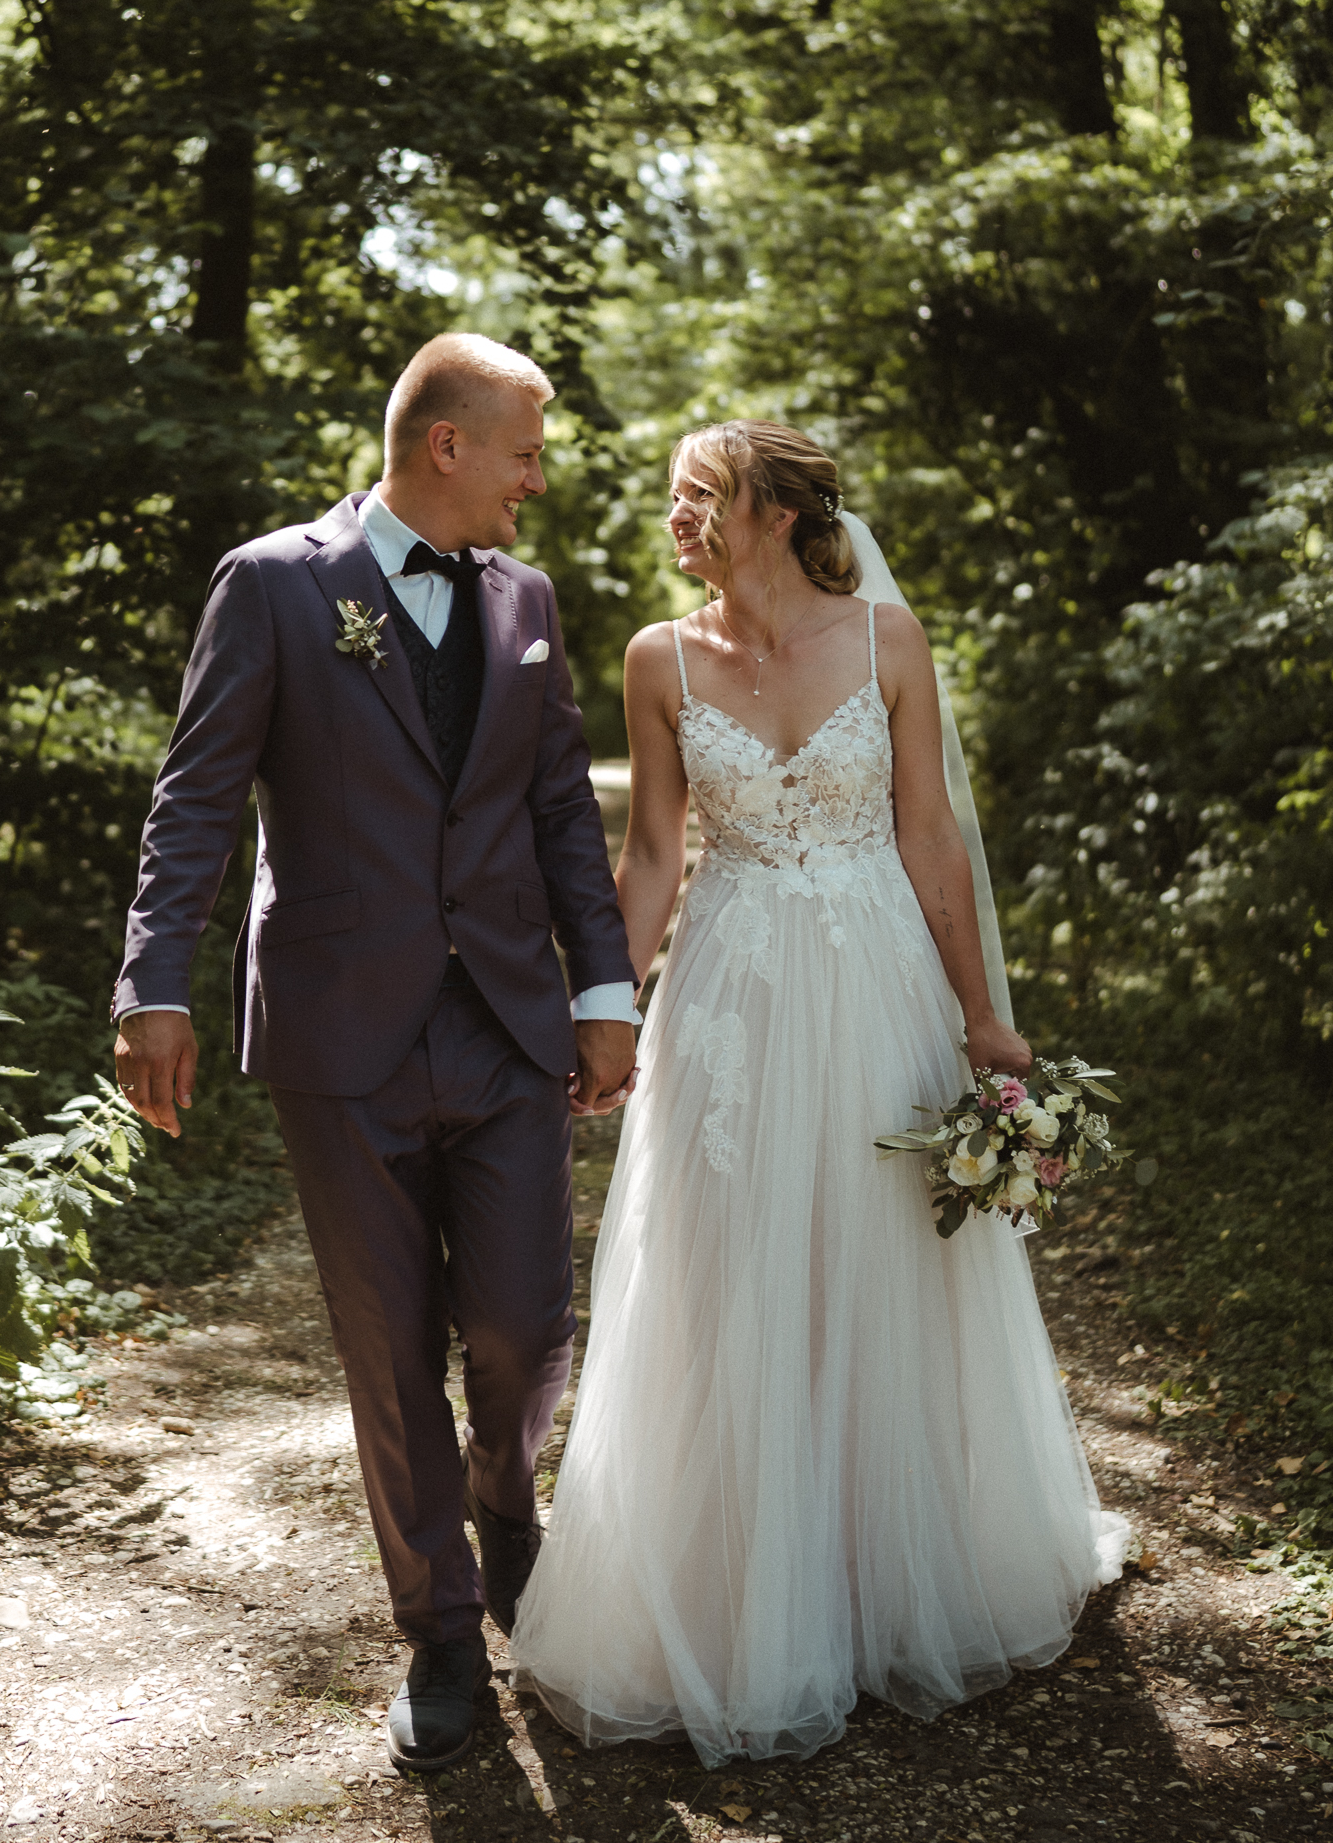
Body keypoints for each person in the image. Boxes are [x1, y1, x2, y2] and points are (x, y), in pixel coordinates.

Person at [509, 420, 1127, 1767]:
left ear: (779, 511)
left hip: (878, 987)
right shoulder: (658, 659)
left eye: (702, 497)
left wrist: (983, 1018)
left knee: (880, 1257)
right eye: (673, 499)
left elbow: (928, 835)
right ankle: (745, 1587)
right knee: (732, 1269)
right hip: (729, 995)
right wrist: (604, 1006)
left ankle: (884, 1569)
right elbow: (659, 853)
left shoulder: (887, 644)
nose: (679, 518)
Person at [109, 334, 639, 1771]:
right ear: (447, 445)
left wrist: (607, 989)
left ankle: (507, 1506)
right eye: (525, 451)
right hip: (344, 1028)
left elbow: (558, 817)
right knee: (389, 1351)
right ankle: (444, 1635)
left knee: (526, 1324)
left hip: (510, 1022)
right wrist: (154, 983)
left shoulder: (527, 599)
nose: (539, 479)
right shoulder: (276, 584)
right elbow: (198, 796)